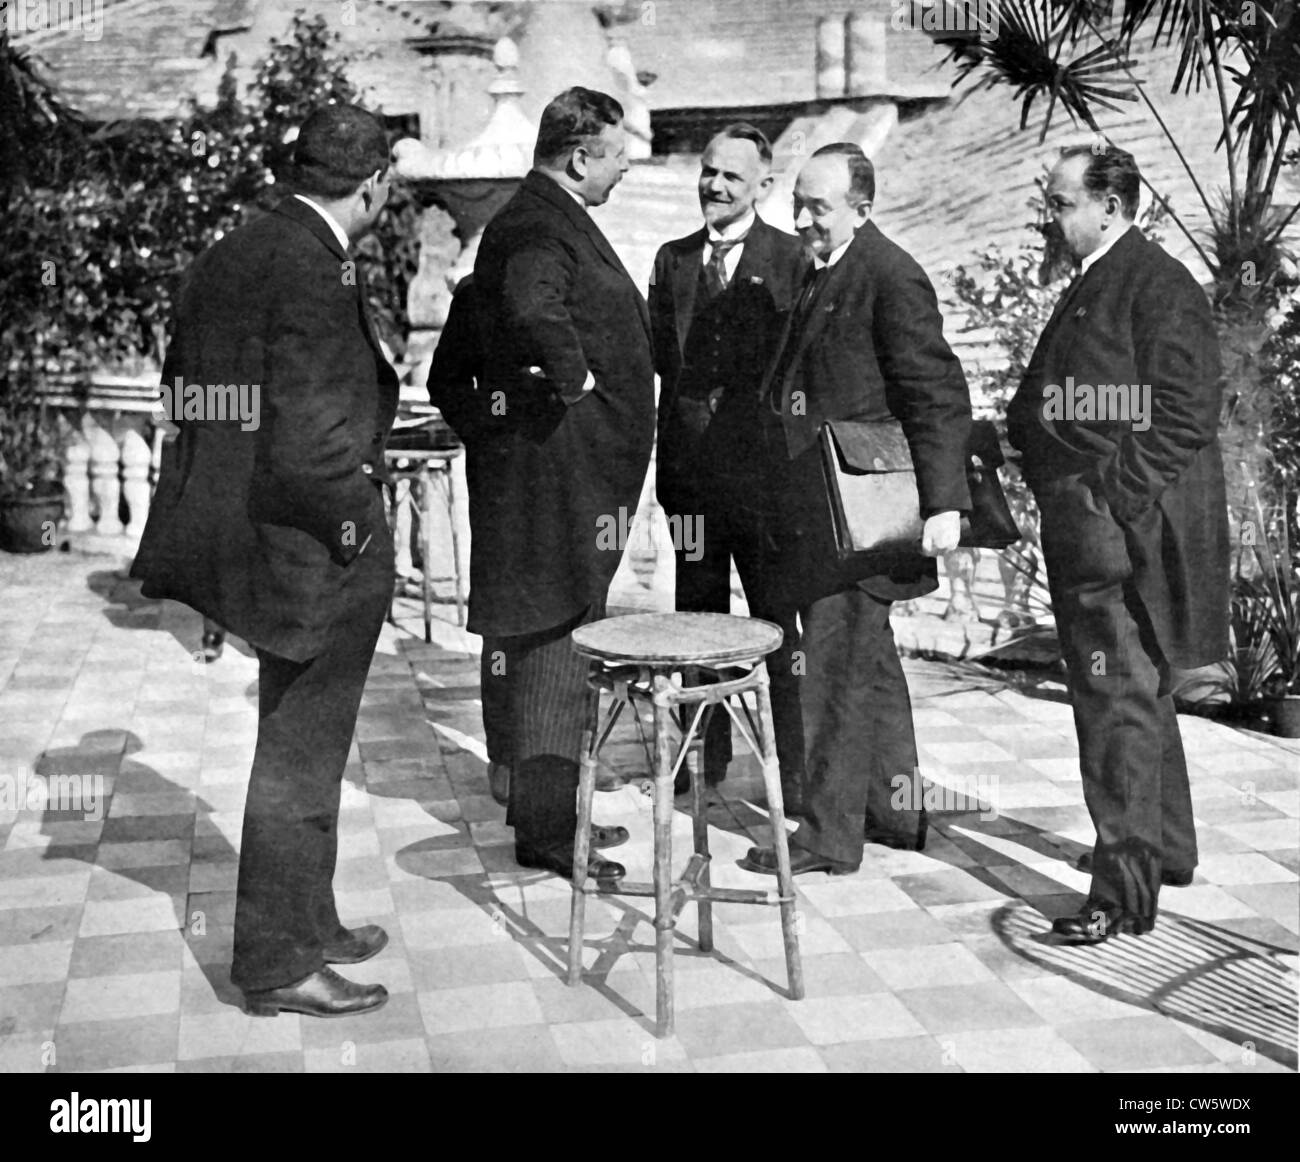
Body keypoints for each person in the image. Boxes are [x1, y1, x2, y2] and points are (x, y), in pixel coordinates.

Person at [131, 105, 398, 1016]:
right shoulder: (313, 268)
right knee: (297, 751)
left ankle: (310, 921)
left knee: (302, 741)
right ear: (372, 184)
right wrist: (360, 520)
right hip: (314, 550)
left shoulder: (229, 252)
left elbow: (187, 391)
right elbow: (313, 441)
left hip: (252, 542)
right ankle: (281, 965)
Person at [1006, 144, 1229, 944]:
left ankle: (1120, 896)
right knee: (1139, 695)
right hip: (1094, 523)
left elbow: (1184, 414)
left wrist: (1109, 499)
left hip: (1117, 532)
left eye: (1062, 202)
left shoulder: (1155, 282)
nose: (1051, 215)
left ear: (1109, 204)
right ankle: (1165, 851)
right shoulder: (1105, 274)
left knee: (1113, 708)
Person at [741, 143, 972, 876]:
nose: (803, 218)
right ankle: (896, 815)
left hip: (865, 513)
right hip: (826, 509)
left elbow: (935, 393)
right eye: (798, 203)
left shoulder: (890, 274)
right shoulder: (827, 268)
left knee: (835, 671)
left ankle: (827, 838)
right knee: (867, 665)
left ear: (862, 208)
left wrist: (945, 504)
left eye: (819, 207)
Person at [445, 86, 656, 881]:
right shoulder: (539, 223)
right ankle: (548, 833)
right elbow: (538, 309)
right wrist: (577, 390)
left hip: (539, 476)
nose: (625, 170)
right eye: (617, 156)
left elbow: (457, 370)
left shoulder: (518, 220)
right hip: (560, 482)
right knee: (556, 650)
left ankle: (541, 811)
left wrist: (502, 433)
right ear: (579, 155)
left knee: (531, 638)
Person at [648, 123, 807, 806]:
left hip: (765, 487)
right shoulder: (671, 260)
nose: (713, 185)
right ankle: (698, 757)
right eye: (708, 171)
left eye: (731, 177)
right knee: (695, 618)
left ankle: (795, 772)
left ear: (763, 187)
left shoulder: (794, 259)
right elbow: (663, 361)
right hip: (690, 484)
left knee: (778, 621)